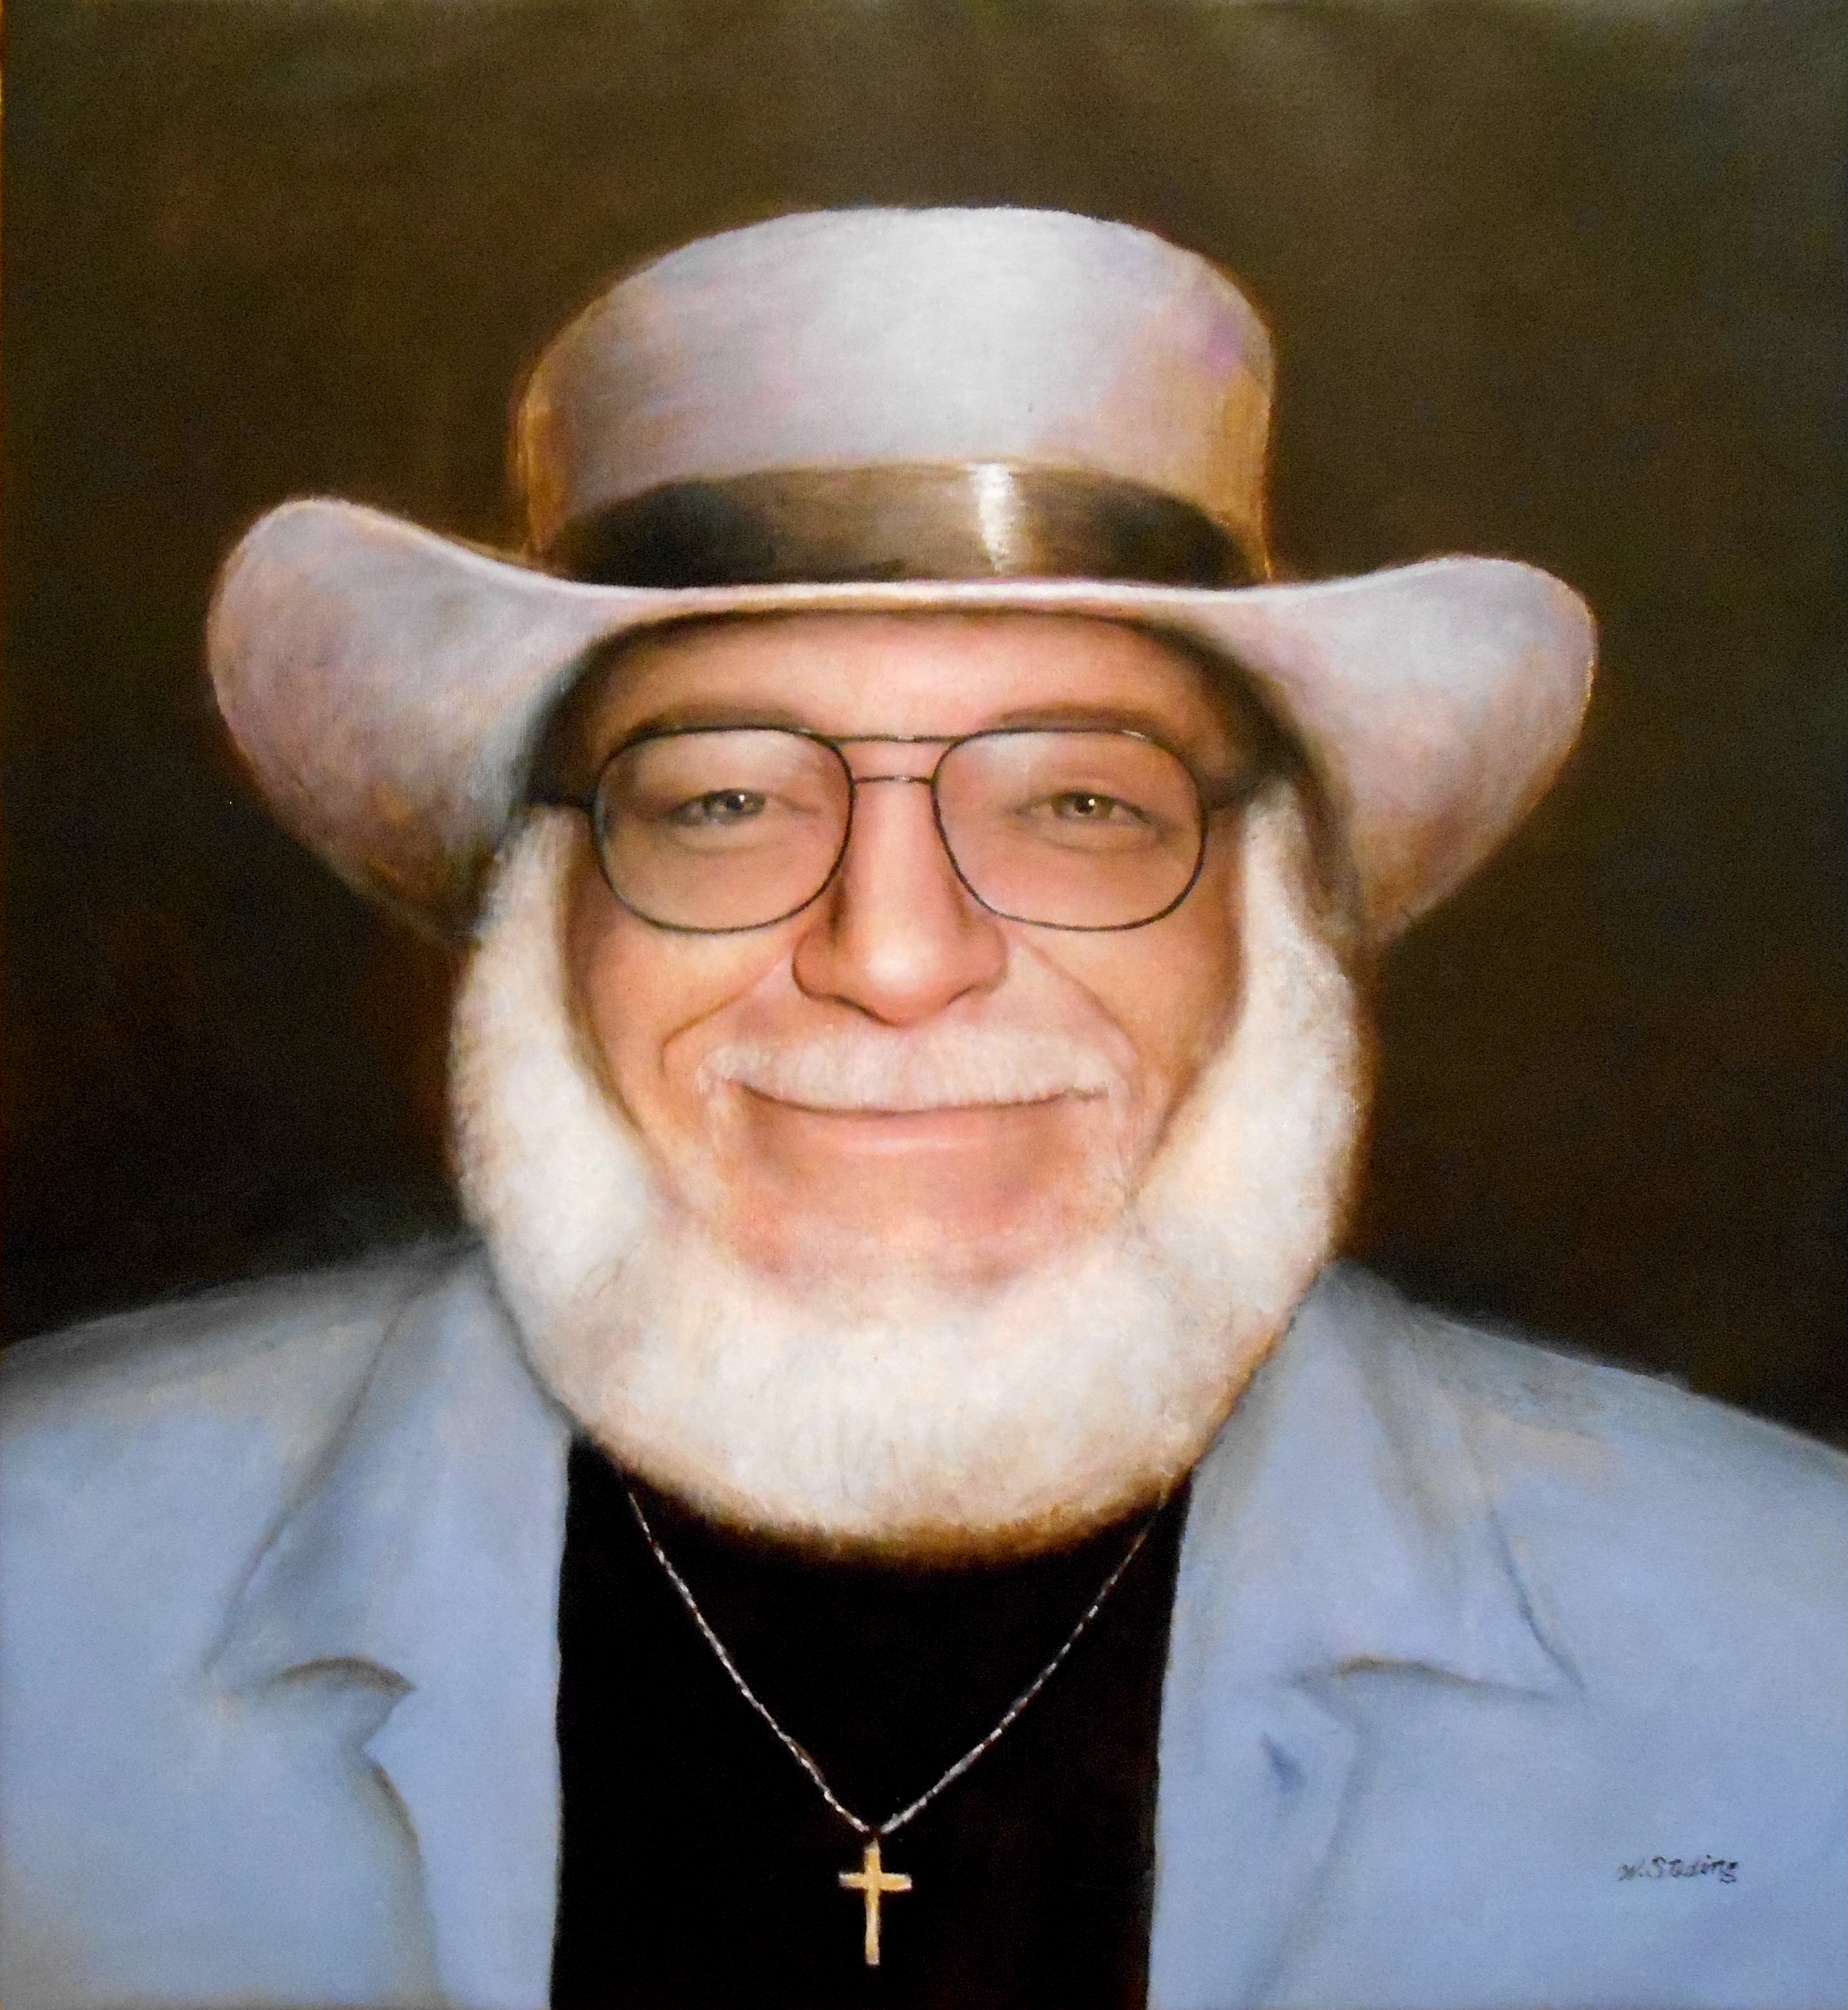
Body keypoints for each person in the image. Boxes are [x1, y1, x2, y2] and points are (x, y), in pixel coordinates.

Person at [2, 208, 1844, 2010]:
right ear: (547, 909)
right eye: (723, 803)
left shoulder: (1792, 1648)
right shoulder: (39, 1580)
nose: (893, 956)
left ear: (1266, 907)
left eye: (1080, 805)